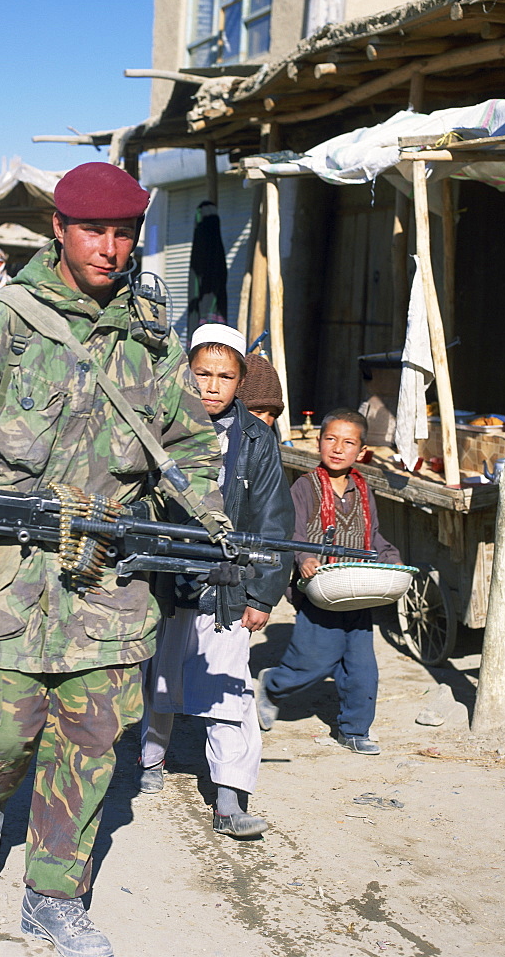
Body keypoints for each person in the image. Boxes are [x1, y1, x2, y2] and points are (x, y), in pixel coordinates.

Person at [0, 161, 225, 957]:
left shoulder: (150, 338)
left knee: (94, 745)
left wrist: (203, 530)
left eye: (125, 231)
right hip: (11, 585)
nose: (111, 246)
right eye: (94, 230)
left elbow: (193, 445)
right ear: (59, 230)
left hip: (112, 589)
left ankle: (52, 898)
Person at [139, 324, 293, 838]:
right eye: (202, 373)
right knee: (160, 675)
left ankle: (229, 800)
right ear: (186, 372)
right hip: (165, 575)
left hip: (228, 583)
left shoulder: (256, 438)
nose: (211, 385)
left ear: (240, 381)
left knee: (229, 689)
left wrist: (263, 591)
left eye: (225, 376)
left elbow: (274, 517)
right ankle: (150, 761)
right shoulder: (158, 425)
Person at [255, 409, 402, 755]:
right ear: (319, 442)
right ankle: (272, 686)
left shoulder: (363, 489)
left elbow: (373, 537)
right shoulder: (304, 487)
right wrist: (304, 558)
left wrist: (390, 557)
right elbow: (292, 530)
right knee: (314, 661)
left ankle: (354, 729)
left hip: (359, 592)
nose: (337, 448)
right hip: (320, 592)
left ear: (361, 451)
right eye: (330, 439)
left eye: (348, 442)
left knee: (362, 668)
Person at [236, 353, 284, 429]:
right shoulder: (215, 436)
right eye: (258, 412)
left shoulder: (271, 438)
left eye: (272, 414)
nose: (266, 421)